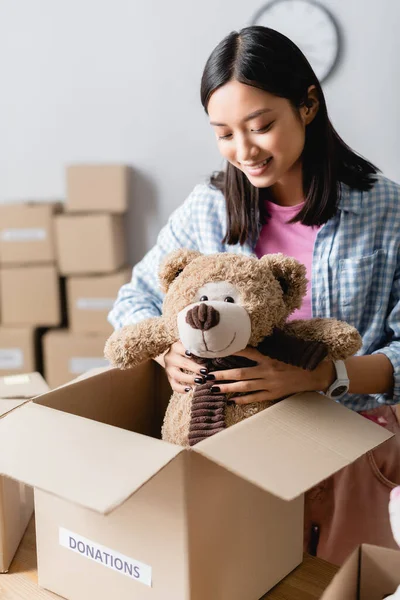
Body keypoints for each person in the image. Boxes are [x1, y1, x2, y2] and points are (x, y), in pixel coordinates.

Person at [108, 26, 400, 564]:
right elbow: (134, 300)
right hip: (237, 446)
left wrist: (326, 375)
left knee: (348, 581)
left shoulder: (386, 209)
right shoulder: (206, 209)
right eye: (223, 134)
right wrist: (166, 348)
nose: (244, 151)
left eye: (261, 126)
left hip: (355, 442)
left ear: (307, 105)